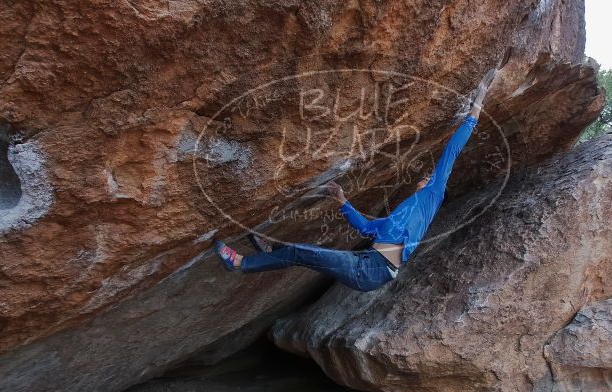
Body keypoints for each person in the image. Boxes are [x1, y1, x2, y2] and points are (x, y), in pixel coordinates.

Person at [211, 69, 497, 292]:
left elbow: (452, 151)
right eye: (426, 177)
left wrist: (477, 104)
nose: (425, 177)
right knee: (301, 254)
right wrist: (342, 200)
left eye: (427, 177)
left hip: (372, 270)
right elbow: (365, 227)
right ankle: (272, 252)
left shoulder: (433, 194)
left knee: (302, 252)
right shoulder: (397, 221)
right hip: (369, 267)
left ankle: (239, 263)